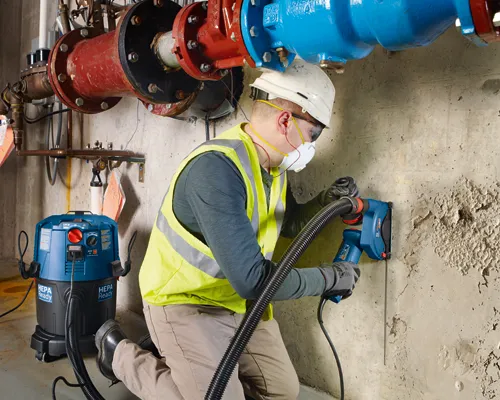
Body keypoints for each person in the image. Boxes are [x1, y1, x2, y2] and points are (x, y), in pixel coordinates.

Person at [94, 59, 360, 400]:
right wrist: (329, 278)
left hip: (235, 303)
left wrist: (326, 200)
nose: (313, 144)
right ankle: (119, 354)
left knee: (283, 392)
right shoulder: (217, 170)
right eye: (314, 133)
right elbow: (253, 280)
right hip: (185, 303)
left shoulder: (273, 167)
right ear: (285, 121)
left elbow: (290, 222)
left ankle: (196, 369)